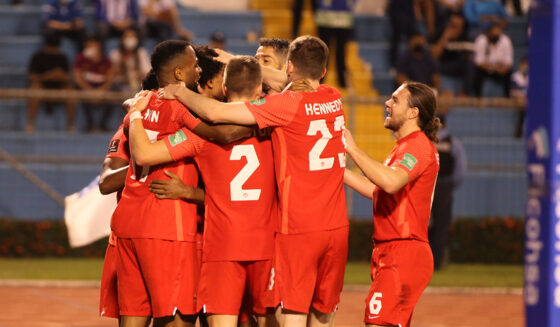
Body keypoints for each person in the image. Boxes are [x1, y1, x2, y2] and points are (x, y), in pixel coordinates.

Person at [159, 35, 348, 327]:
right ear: (323, 72)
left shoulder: (280, 107)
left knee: (289, 315)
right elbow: (289, 79)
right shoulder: (333, 97)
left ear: (291, 67)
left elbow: (213, 113)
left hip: (290, 231)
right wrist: (236, 60)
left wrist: (175, 95)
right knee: (319, 316)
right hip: (330, 227)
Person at [129, 55, 278, 327]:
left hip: (222, 246)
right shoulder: (275, 128)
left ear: (223, 88)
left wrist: (135, 114)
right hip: (268, 244)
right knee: (270, 321)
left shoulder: (201, 134)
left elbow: (144, 154)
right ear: (259, 90)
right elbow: (292, 87)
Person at [110, 40, 203, 327]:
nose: (198, 71)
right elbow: (219, 132)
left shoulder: (138, 106)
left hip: (128, 223)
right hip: (167, 226)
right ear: (178, 73)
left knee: (133, 316)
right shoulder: (184, 112)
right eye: (194, 65)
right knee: (176, 319)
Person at [343, 81, 440, 327]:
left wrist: (352, 149)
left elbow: (391, 182)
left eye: (395, 100)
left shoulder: (417, 145)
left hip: (404, 252)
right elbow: (378, 189)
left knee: (376, 323)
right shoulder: (403, 148)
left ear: (413, 112)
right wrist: (338, 170)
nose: (388, 103)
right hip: (392, 251)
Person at [429, 114, 467, 271]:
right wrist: (450, 185)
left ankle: (422, 262)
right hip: (445, 188)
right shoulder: (453, 143)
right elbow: (460, 170)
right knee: (441, 226)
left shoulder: (426, 141)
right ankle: (436, 263)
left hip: (426, 188)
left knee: (422, 225)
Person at [26, 32, 76, 133]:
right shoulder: (38, 56)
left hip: (59, 87)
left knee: (71, 94)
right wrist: (47, 76)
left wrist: (60, 76)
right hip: (42, 86)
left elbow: (69, 77)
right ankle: (30, 123)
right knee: (34, 90)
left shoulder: (62, 57)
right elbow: (31, 76)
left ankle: (70, 125)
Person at [73, 37, 116, 132]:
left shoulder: (105, 60)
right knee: (80, 93)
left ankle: (103, 124)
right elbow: (78, 78)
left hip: (101, 88)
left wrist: (101, 91)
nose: (89, 48)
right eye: (87, 46)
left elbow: (110, 78)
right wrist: (89, 91)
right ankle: (90, 124)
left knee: (114, 92)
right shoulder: (81, 59)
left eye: (91, 45)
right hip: (87, 87)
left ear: (98, 47)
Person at [430, 14, 475, 95]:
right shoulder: (441, 33)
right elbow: (434, 55)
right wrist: (445, 37)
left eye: (457, 26)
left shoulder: (465, 36)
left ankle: (468, 94)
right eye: (452, 25)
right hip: (444, 74)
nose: (454, 29)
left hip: (461, 76)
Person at [315, 0, 355, 89]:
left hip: (344, 18)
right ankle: (318, 83)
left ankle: (343, 83)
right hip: (325, 17)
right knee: (323, 53)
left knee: (341, 53)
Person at [472, 23, 513, 97]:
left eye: (498, 31)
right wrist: (493, 68)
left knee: (509, 73)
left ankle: (507, 97)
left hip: (500, 68)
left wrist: (502, 69)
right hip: (486, 68)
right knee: (476, 71)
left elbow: (508, 61)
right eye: (494, 32)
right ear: (489, 31)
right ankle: (477, 98)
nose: (496, 34)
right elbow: (479, 62)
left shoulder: (506, 41)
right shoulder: (481, 40)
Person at [109, 28, 151, 92]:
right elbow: (111, 75)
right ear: (122, 39)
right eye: (127, 37)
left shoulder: (141, 53)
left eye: (132, 36)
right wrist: (121, 64)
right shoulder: (115, 54)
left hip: (138, 84)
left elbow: (147, 73)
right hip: (120, 86)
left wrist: (134, 73)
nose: (130, 39)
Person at [511, 55, 527, 138]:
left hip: (527, 101)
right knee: (522, 107)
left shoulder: (532, 77)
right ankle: (519, 130)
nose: (525, 66)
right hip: (517, 100)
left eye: (527, 64)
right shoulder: (515, 76)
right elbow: (514, 91)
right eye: (523, 64)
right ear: (519, 65)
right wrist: (521, 99)